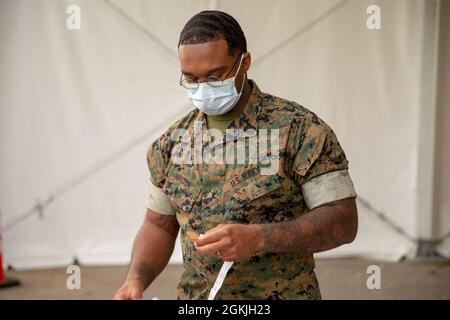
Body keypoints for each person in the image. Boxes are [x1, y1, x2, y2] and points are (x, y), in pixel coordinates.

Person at [114, 10, 358, 300]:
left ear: (245, 63)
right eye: (191, 78)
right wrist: (135, 279)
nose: (203, 87)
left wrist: (259, 238)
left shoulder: (300, 130)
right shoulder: (171, 144)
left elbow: (343, 221)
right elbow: (158, 225)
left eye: (215, 75)